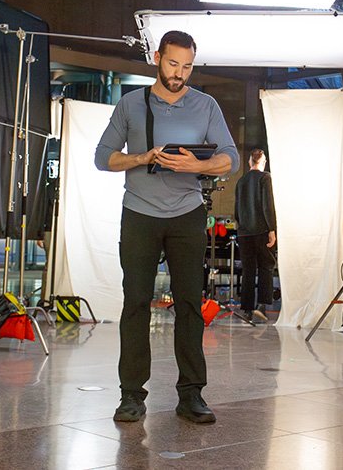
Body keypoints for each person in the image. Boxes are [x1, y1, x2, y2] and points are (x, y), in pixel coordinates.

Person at [95, 30, 239, 424]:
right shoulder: (130, 104)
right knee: (136, 302)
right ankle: (131, 396)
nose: (180, 73)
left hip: (187, 212)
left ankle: (191, 394)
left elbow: (231, 158)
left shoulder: (206, 105)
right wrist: (142, 157)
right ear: (157, 57)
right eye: (173, 63)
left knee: (190, 304)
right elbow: (102, 157)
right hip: (139, 212)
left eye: (188, 66)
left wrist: (196, 165)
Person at [234, 149, 277, 323]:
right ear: (263, 161)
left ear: (250, 162)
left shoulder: (241, 181)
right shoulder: (265, 178)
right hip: (261, 230)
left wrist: (241, 225)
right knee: (266, 265)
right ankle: (262, 305)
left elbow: (236, 210)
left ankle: (246, 309)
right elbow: (268, 205)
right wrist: (272, 229)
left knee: (248, 269)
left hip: (244, 232)